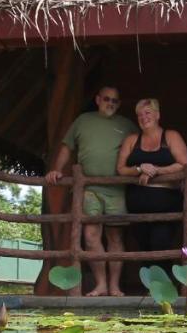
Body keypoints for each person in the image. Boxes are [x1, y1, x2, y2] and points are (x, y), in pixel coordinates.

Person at [45, 86, 136, 296]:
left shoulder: (127, 125)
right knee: (91, 236)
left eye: (115, 100)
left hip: (117, 189)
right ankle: (101, 284)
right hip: (89, 189)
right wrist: (57, 170)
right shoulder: (83, 121)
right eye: (106, 99)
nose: (110, 103)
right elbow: (67, 147)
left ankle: (114, 286)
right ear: (97, 99)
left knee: (115, 238)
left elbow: (139, 149)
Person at [116, 98, 187, 258]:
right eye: (139, 115)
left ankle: (165, 283)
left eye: (147, 113)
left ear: (157, 115)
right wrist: (139, 168)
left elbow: (185, 164)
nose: (144, 118)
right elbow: (121, 169)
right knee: (144, 250)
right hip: (137, 207)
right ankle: (149, 283)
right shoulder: (131, 140)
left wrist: (156, 170)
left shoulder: (171, 136)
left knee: (161, 245)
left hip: (167, 206)